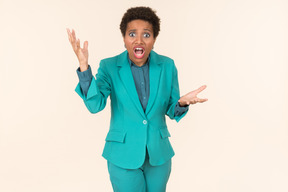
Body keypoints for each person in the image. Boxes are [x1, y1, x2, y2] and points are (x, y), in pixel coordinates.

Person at [67, 6, 207, 192]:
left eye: (146, 35)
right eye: (132, 34)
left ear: (154, 39)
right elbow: (95, 105)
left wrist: (181, 103)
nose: (139, 40)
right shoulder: (109, 66)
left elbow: (171, 109)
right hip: (122, 155)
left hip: (158, 155)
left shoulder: (167, 66)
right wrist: (84, 67)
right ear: (124, 39)